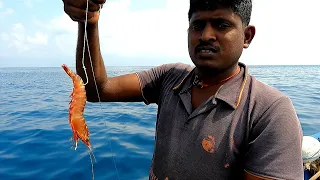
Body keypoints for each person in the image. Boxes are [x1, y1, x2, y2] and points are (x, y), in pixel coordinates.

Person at [63, 0, 304, 179]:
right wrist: (89, 21)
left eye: (221, 25)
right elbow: (95, 89)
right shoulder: (170, 77)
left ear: (247, 36)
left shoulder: (271, 111)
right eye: (197, 25)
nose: (206, 35)